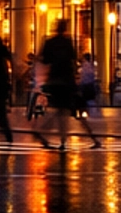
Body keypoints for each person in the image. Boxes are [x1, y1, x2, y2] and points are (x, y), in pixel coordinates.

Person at [34, 20, 101, 151]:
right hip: (67, 82)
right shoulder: (67, 42)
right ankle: (88, 138)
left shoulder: (50, 43)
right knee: (74, 111)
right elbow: (73, 59)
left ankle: (50, 135)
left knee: (61, 111)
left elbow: (45, 59)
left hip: (55, 81)